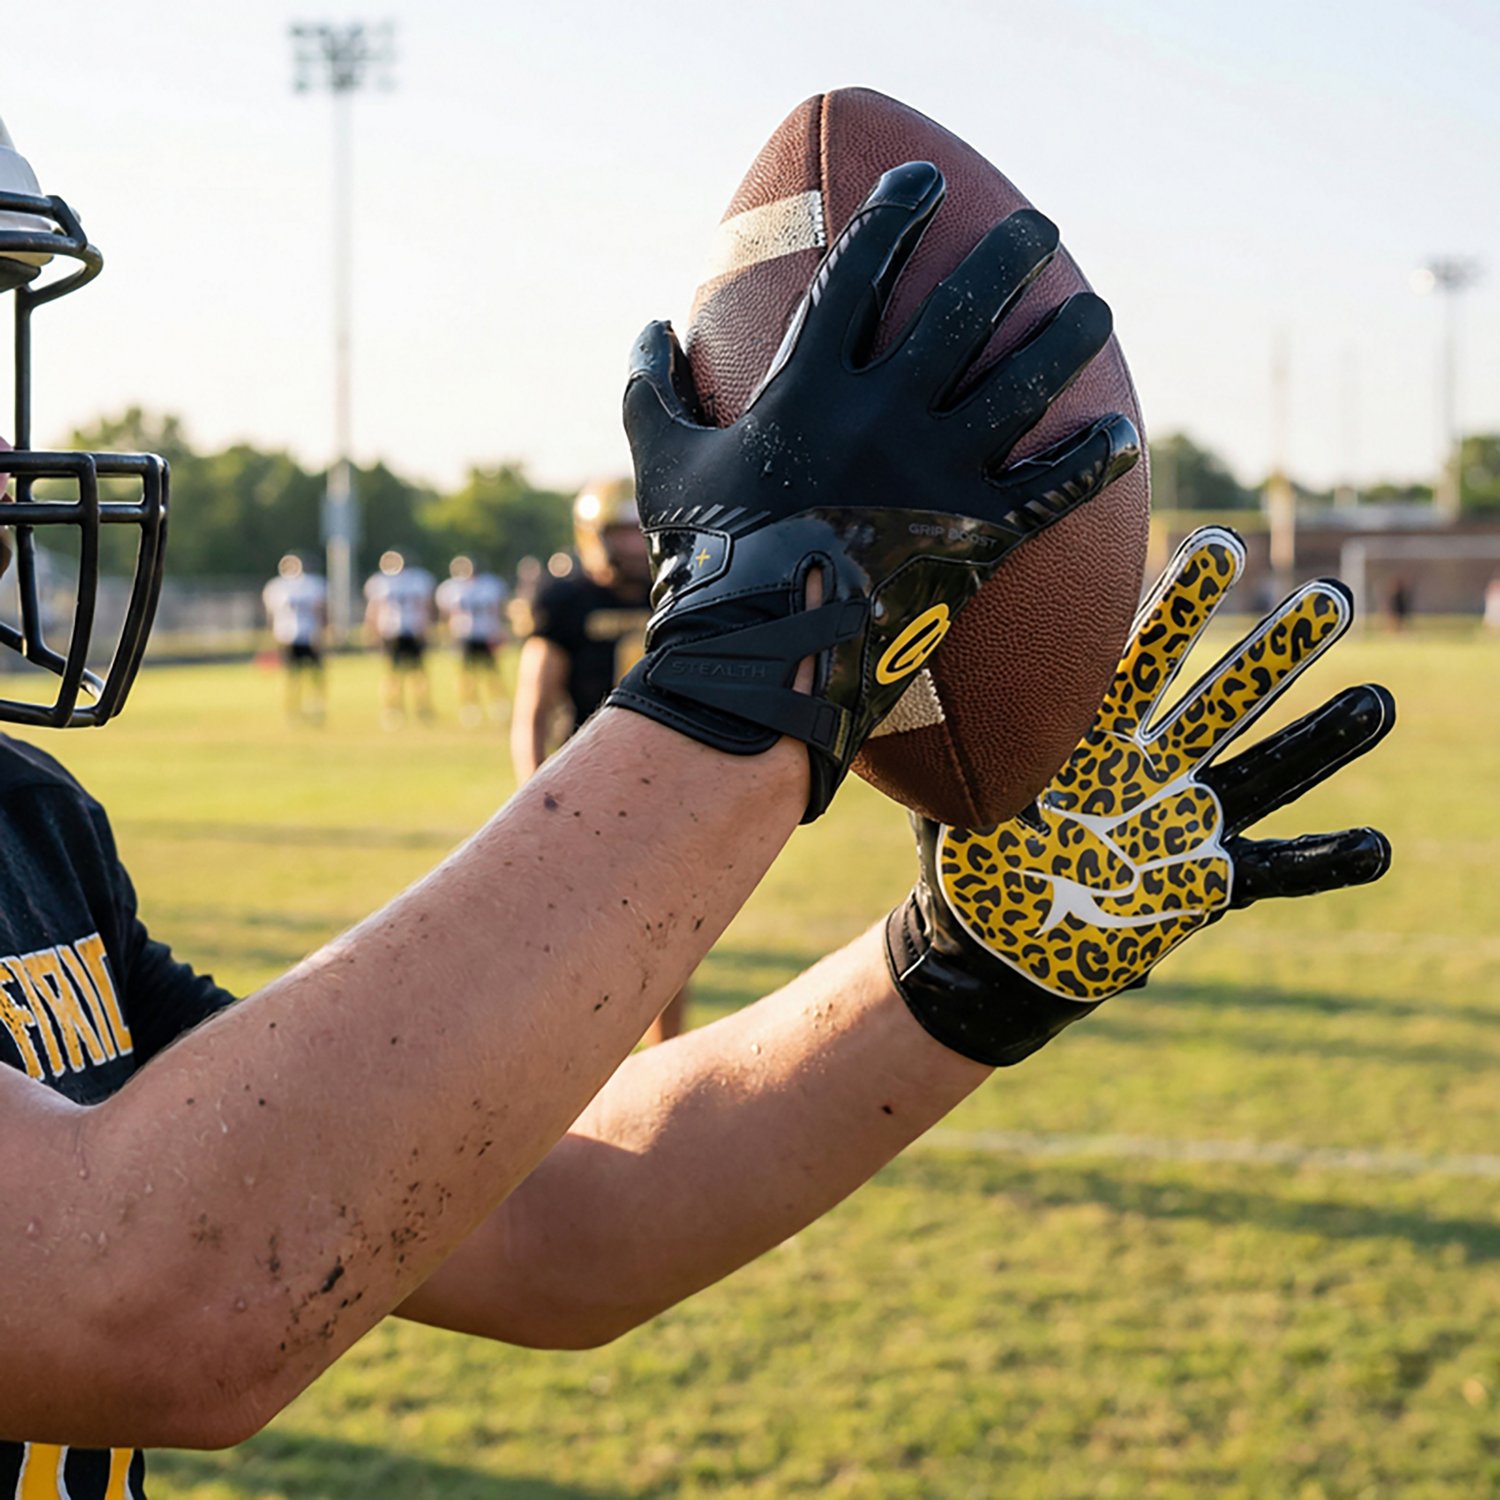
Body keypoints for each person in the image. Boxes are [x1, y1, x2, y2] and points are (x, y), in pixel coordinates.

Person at [0, 137, 1394, 1500]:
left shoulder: (28, 827)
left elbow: (556, 1222)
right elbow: (140, 1298)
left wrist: (962, 968)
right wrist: (758, 650)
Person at [362, 549, 436, 726]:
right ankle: (392, 708)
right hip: (391, 631)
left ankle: (421, 707)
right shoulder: (380, 582)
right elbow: (374, 610)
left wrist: (426, 628)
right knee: (392, 674)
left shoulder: (417, 581)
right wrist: (372, 631)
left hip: (413, 630)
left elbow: (425, 608)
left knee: (418, 673)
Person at [435, 554, 508, 726]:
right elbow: (447, 616)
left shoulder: (489, 586)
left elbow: (497, 611)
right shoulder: (452, 588)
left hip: (485, 634)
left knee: (491, 672)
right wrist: (447, 633)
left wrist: (498, 632)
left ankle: (498, 704)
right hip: (464, 634)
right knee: (466, 675)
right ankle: (469, 706)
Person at [261, 552, 328, 723]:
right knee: (291, 676)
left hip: (309, 634)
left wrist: (322, 632)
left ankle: (315, 706)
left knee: (315, 675)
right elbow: (272, 616)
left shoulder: (311, 585)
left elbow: (321, 611)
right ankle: (292, 710)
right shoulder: (277, 587)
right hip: (287, 636)